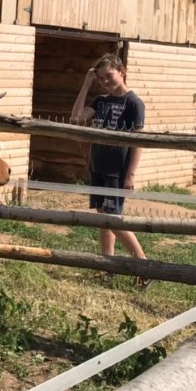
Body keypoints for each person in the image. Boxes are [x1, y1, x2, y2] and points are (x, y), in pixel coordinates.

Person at [70, 53, 149, 283]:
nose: (105, 81)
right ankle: (108, 267)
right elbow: (76, 119)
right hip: (98, 166)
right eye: (101, 78)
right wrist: (86, 85)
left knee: (113, 219)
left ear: (122, 72)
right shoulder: (101, 101)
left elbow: (138, 141)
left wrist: (130, 174)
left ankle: (144, 265)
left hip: (117, 170)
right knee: (103, 219)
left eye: (109, 76)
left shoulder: (134, 103)